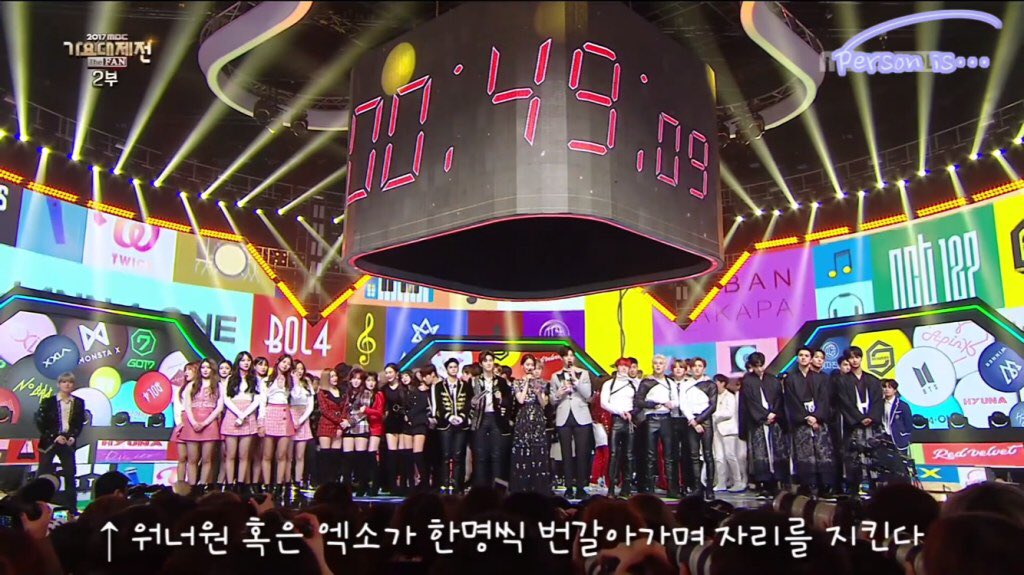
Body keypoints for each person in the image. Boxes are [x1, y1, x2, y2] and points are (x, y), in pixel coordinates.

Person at [783, 347, 834, 496]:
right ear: (797, 358)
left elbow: (824, 399)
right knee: (804, 454)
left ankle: (825, 485)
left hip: (818, 420)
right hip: (801, 421)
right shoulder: (791, 379)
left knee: (822, 453)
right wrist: (806, 416)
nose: (804, 358)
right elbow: (791, 400)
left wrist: (816, 416)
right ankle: (807, 485)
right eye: (801, 355)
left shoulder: (820, 378)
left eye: (806, 355)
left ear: (811, 358)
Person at [738, 352, 788, 498]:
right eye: (756, 366)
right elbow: (749, 403)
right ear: (751, 366)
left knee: (776, 451)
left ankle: (776, 483)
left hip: (774, 420)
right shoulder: (747, 381)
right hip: (758, 423)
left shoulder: (772, 379)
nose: (760, 369)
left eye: (761, 365)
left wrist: (774, 413)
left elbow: (779, 399)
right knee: (760, 453)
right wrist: (763, 416)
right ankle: (763, 484)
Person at [837, 346, 884, 495]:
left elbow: (878, 401)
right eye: (851, 358)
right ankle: (854, 488)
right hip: (854, 424)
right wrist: (859, 418)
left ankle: (874, 486)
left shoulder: (873, 379)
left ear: (861, 358)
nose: (854, 360)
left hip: (872, 423)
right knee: (854, 456)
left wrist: (871, 416)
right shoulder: (842, 381)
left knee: (873, 454)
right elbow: (844, 403)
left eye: (857, 357)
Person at [35, 372, 86, 508]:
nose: (67, 385)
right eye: (64, 382)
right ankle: (37, 504)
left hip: (68, 442)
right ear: (59, 384)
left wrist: (73, 436)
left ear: (73, 385)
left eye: (70, 382)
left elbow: (79, 423)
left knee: (70, 474)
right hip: (50, 442)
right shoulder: (48, 402)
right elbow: (41, 422)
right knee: (43, 473)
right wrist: (55, 436)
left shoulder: (79, 402)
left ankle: (71, 507)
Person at [549, 346, 593, 499]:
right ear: (562, 358)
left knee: (582, 453)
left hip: (581, 415)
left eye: (571, 356)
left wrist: (576, 380)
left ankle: (581, 487)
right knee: (566, 453)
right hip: (563, 416)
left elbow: (587, 394)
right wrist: (559, 393)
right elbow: (552, 400)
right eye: (566, 356)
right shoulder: (555, 376)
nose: (569, 358)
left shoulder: (583, 373)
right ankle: (568, 487)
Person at [634, 355, 679, 498]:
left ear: (665, 366)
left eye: (661, 363)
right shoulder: (646, 382)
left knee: (669, 455)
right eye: (656, 363)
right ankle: (649, 488)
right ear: (652, 365)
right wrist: (652, 404)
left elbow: (676, 400)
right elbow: (638, 401)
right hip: (651, 419)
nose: (658, 366)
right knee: (650, 455)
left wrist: (671, 404)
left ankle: (672, 488)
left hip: (666, 418)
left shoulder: (670, 382)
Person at [470, 350, 514, 489]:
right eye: (486, 361)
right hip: (480, 418)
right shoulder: (474, 381)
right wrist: (473, 403)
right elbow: (468, 402)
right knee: (480, 455)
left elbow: (509, 401)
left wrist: (501, 399)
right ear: (481, 364)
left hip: (496, 418)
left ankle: (497, 489)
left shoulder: (500, 381)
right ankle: (480, 489)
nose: (489, 363)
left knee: (497, 455)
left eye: (491, 360)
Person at [510, 355, 551, 494]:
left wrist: (538, 393)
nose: (530, 367)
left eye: (532, 365)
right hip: (523, 418)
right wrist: (527, 383)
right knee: (523, 449)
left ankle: (538, 487)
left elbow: (544, 404)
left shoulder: (542, 383)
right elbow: (521, 400)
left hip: (538, 418)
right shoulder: (517, 383)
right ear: (522, 366)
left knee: (537, 450)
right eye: (527, 365)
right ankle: (521, 486)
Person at [180, 358, 224, 485]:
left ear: (213, 369)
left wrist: (205, 423)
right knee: (192, 459)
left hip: (210, 424)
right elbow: (187, 406)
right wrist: (194, 422)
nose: (205, 370)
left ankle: (202, 486)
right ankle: (192, 487)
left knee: (207, 459)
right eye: (203, 367)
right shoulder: (192, 385)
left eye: (208, 367)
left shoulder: (218, 386)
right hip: (192, 424)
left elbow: (219, 407)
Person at [678, 357, 717, 500]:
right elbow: (683, 404)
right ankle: (697, 487)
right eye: (694, 366)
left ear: (704, 368)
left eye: (700, 366)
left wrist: (698, 420)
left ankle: (709, 488)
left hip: (705, 420)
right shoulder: (685, 384)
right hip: (691, 421)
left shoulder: (710, 384)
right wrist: (692, 421)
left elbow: (712, 406)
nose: (697, 368)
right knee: (693, 455)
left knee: (708, 454)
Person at [432, 358, 472, 494]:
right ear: (446, 369)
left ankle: (457, 485)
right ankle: (444, 484)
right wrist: (449, 416)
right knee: (445, 455)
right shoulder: (439, 386)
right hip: (445, 424)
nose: (453, 369)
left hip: (461, 425)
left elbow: (469, 403)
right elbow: (438, 405)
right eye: (451, 367)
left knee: (458, 456)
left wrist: (461, 416)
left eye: (455, 367)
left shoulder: (465, 385)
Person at [220, 351, 260, 486]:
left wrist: (243, 415)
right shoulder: (230, 379)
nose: (246, 363)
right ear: (238, 362)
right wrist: (238, 414)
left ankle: (241, 485)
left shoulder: (255, 379)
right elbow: (226, 399)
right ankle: (229, 484)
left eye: (248, 360)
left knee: (244, 456)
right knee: (230, 455)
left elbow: (256, 400)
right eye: (243, 360)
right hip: (232, 413)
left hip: (248, 415)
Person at [601, 358, 638, 498]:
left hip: (629, 421)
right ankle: (611, 487)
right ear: (617, 367)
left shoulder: (634, 384)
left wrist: (631, 413)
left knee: (629, 455)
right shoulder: (609, 384)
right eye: (621, 366)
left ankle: (626, 487)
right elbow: (604, 403)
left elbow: (638, 402)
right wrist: (619, 411)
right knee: (613, 454)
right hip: (616, 420)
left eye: (626, 366)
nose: (623, 369)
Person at [259, 355, 296, 486]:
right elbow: (262, 402)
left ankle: (279, 485)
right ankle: (267, 485)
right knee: (267, 455)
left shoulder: (291, 381)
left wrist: (295, 381)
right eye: (284, 362)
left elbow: (296, 398)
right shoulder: (267, 380)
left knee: (281, 455)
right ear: (278, 362)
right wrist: (261, 422)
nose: (285, 365)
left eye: (288, 364)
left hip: (284, 414)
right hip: (270, 413)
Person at [341, 368, 374, 495]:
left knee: (361, 458)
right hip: (348, 428)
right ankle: (346, 487)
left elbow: (363, 412)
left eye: (359, 379)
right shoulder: (347, 393)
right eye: (354, 378)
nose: (356, 381)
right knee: (348, 458)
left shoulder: (366, 393)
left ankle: (362, 485)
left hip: (361, 426)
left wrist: (349, 422)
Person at [711, 374, 744, 493]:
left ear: (722, 383)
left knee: (731, 456)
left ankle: (738, 481)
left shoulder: (730, 396)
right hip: (716, 430)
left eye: (716, 382)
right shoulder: (714, 396)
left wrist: (714, 415)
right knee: (719, 457)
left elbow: (729, 412)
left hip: (728, 431)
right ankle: (721, 482)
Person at [315, 368, 345, 485]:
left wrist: (341, 425)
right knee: (326, 456)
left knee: (335, 456)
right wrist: (339, 421)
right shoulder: (322, 393)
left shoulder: (342, 392)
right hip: (326, 425)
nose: (335, 378)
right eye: (331, 376)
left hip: (339, 426)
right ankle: (324, 483)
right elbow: (325, 410)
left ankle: (334, 481)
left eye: (335, 376)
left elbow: (345, 408)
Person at [403, 369, 432, 491]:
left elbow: (422, 406)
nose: (404, 379)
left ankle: (424, 483)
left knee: (417, 454)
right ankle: (411, 483)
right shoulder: (406, 391)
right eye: (402, 377)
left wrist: (410, 415)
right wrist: (406, 415)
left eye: (407, 376)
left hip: (420, 423)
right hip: (407, 425)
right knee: (408, 455)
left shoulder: (426, 391)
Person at [381, 363, 405, 493]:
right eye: (386, 373)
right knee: (392, 454)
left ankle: (402, 483)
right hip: (390, 422)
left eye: (390, 372)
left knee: (402, 454)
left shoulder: (404, 387)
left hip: (403, 421)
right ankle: (391, 484)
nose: (388, 375)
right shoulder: (384, 389)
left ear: (396, 373)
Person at [290, 361, 315, 485]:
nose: (299, 371)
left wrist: (300, 421)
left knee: (300, 456)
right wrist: (294, 382)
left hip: (303, 420)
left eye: (301, 369)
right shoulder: (288, 383)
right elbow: (294, 397)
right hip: (289, 418)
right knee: (287, 456)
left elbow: (310, 406)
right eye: (296, 369)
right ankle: (285, 481)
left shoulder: (307, 384)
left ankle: (298, 481)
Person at [249, 356, 271, 485]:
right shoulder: (250, 380)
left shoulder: (269, 381)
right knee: (248, 453)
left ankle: (257, 482)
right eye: (260, 364)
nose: (263, 367)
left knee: (261, 453)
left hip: (265, 417)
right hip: (249, 416)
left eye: (265, 365)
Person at [364, 371, 386, 495]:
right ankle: (365, 483)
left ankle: (375, 485)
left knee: (372, 455)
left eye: (373, 380)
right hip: (363, 427)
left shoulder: (379, 394)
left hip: (376, 427)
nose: (371, 383)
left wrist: (367, 410)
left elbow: (379, 413)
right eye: (368, 380)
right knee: (365, 457)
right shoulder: (362, 394)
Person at [881, 379, 913, 457]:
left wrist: (904, 436)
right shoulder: (879, 404)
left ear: (895, 390)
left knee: (901, 461)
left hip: (899, 438)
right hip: (884, 437)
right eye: (885, 387)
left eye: (889, 387)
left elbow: (908, 424)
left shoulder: (902, 405)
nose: (886, 389)